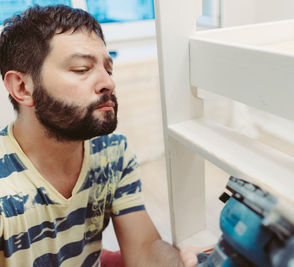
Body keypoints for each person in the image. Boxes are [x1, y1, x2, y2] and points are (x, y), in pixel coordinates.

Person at [0, 5, 199, 267]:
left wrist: (180, 263)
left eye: (108, 69)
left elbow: (143, 247)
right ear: (23, 87)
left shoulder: (113, 152)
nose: (108, 83)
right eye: (82, 69)